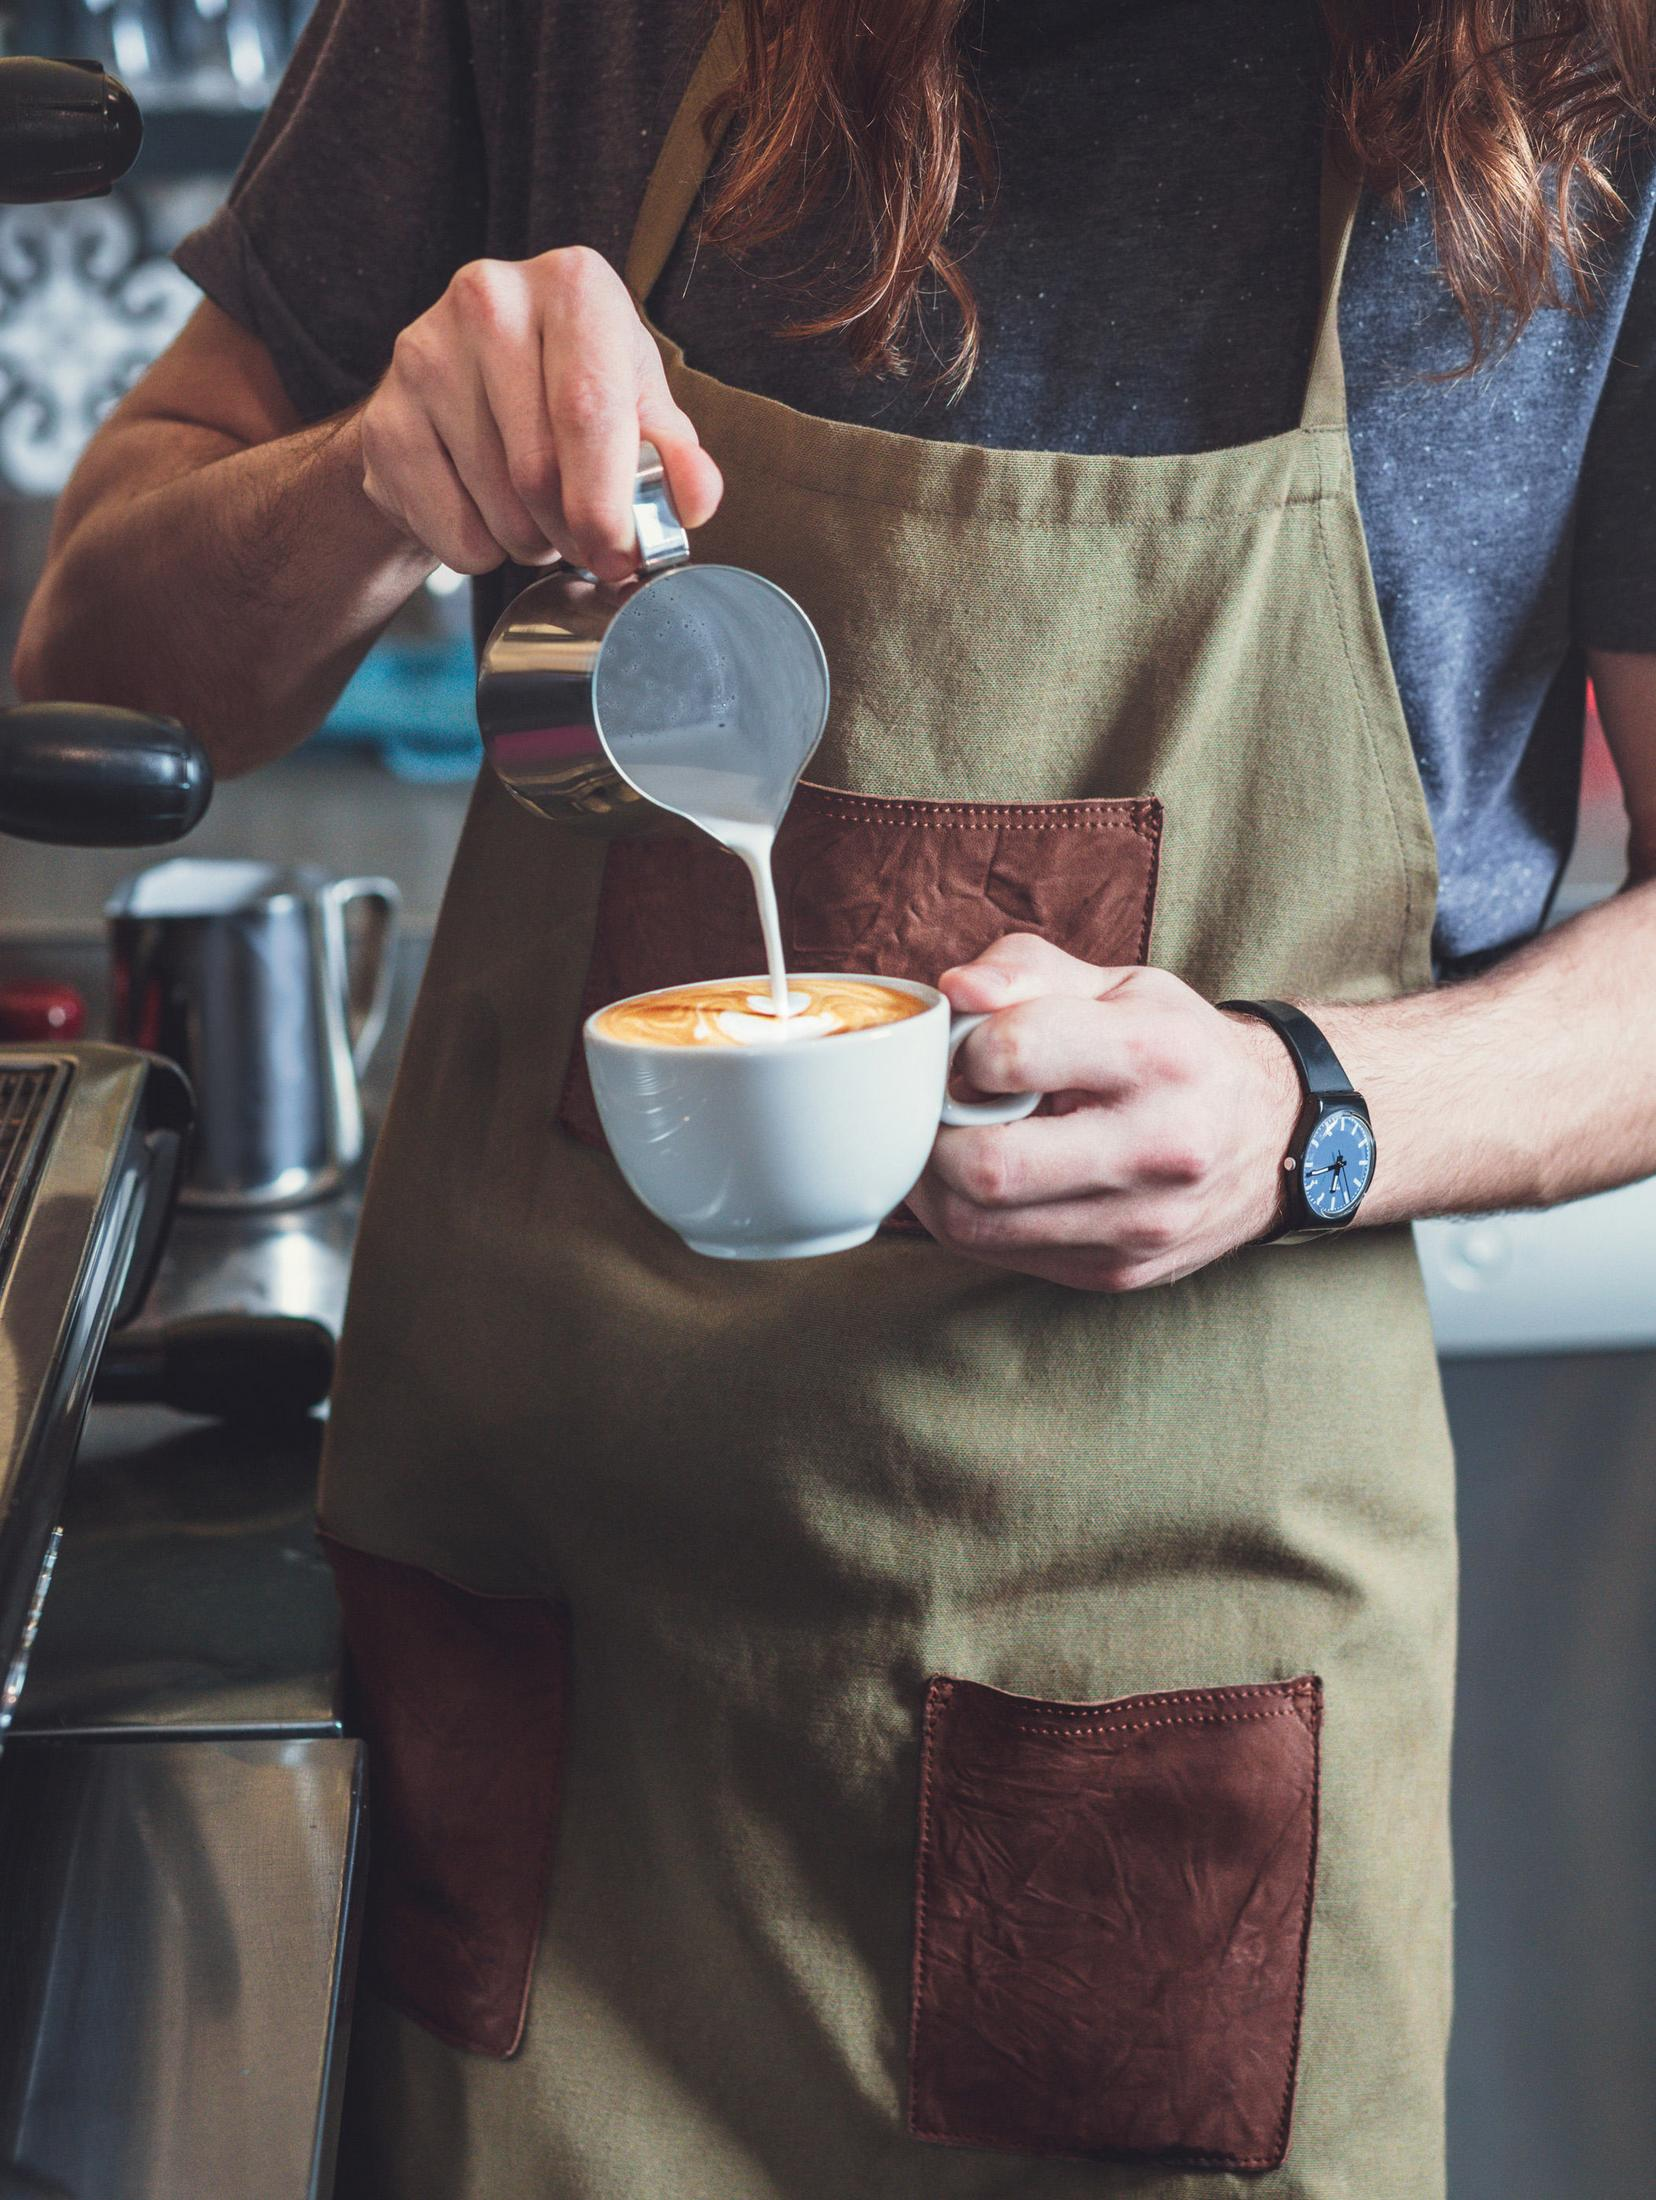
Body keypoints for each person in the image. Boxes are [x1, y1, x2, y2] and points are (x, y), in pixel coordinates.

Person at [16, 2, 1656, 2193]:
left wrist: (1309, 1102)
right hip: (563, 1719)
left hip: (1163, 1755)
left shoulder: (1593, 84)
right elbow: (92, 666)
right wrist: (371, 479)